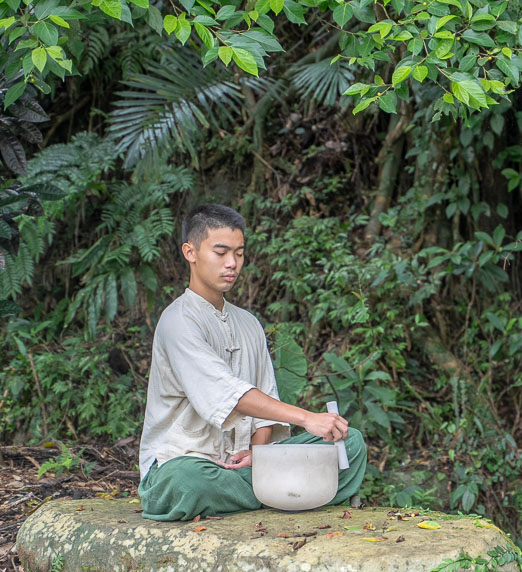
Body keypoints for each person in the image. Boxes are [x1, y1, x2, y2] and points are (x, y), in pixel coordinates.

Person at [137, 204, 367, 520]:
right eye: (221, 252)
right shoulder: (178, 321)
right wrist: (307, 418)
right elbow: (230, 396)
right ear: (190, 252)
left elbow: (265, 411)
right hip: (183, 464)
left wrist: (257, 455)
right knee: (184, 483)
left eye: (239, 253)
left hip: (243, 465)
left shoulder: (248, 323)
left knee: (349, 443)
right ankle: (284, 493)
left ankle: (269, 488)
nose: (232, 263)